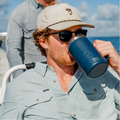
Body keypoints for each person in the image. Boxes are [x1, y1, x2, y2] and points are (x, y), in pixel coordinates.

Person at [0, 3, 120, 120]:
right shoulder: (20, 86)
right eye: (65, 35)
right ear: (43, 42)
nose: (74, 40)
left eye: (79, 34)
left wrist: (118, 65)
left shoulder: (104, 75)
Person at [6, 0, 61, 78]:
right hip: (34, 77)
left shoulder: (65, 9)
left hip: (62, 74)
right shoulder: (20, 11)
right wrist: (20, 80)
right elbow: (13, 49)